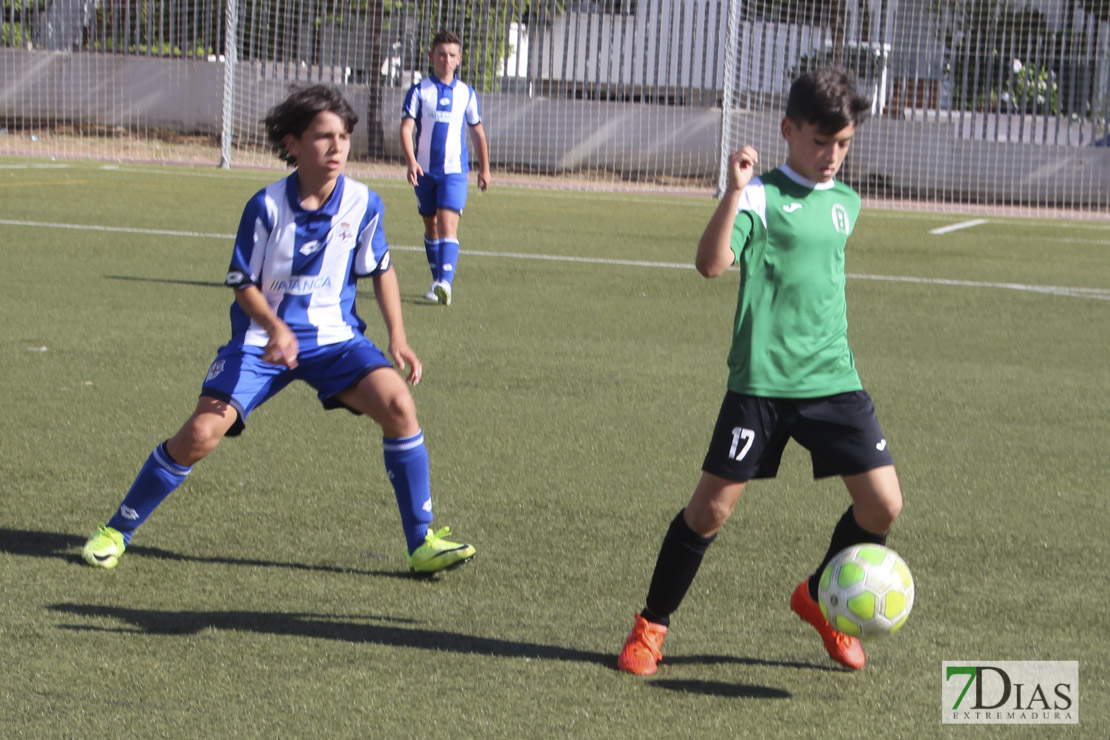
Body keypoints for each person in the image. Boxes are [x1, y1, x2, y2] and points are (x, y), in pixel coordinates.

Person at [81, 84, 475, 576]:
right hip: (259, 343)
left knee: (399, 404)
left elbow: (381, 269)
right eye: (323, 136)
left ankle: (422, 542)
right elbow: (241, 283)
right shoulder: (265, 207)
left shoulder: (364, 203)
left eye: (344, 136)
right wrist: (275, 328)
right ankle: (117, 529)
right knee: (201, 433)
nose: (337, 148)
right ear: (292, 144)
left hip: (335, 340)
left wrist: (398, 337)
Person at [616, 67, 903, 675]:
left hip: (834, 379)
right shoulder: (760, 197)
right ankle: (651, 626)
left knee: (883, 505)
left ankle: (823, 600)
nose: (832, 157)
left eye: (844, 144)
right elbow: (711, 265)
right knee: (711, 510)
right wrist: (732, 191)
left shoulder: (847, 203)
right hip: (762, 386)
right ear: (788, 131)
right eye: (821, 141)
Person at [400, 29, 491, 306]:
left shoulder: (466, 93)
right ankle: (437, 278)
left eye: (452, 55)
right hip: (425, 170)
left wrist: (484, 168)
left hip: (454, 171)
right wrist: (411, 161)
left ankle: (444, 284)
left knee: (448, 222)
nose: (446, 60)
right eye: (441, 55)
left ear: (459, 59)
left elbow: (477, 132)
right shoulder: (419, 91)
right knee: (431, 225)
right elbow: (406, 128)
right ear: (432, 56)